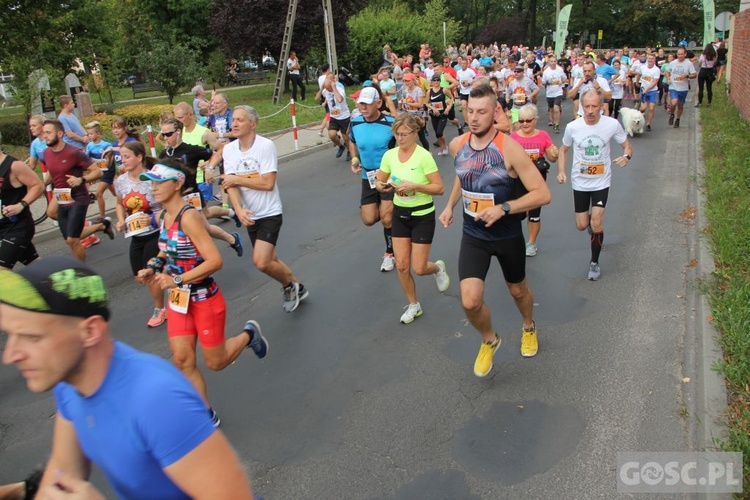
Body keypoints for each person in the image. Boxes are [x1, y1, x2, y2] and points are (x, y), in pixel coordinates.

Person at [0, 256, 256, 499]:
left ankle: (248, 335)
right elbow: (63, 476)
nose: (10, 355)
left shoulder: (156, 399)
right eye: (10, 336)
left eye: (32, 337)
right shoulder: (69, 385)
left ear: (90, 331)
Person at [137, 161, 268, 427]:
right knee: (183, 360)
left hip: (203, 297)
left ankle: (249, 335)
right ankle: (205, 414)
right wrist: (154, 266)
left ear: (177, 184)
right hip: (178, 300)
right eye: (151, 182)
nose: (154, 188)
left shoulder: (190, 217)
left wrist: (175, 279)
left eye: (160, 182)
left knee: (216, 362)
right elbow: (166, 248)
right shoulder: (164, 216)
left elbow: (214, 261)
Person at [438, 84, 551, 377]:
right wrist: (450, 205)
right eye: (470, 111)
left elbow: (542, 193)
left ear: (495, 112)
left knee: (518, 290)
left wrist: (505, 208)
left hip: (507, 235)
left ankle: (528, 326)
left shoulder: (509, 148)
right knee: (469, 300)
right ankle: (490, 339)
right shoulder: (457, 145)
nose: (474, 118)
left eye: (482, 112)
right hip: (474, 236)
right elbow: (465, 175)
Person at [221, 106, 310, 313]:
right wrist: (238, 209)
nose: (233, 124)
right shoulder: (229, 150)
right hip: (249, 214)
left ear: (253, 124)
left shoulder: (265, 146)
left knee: (261, 262)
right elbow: (230, 184)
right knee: (272, 259)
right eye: (233, 120)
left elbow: (268, 183)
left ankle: (288, 286)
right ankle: (299, 287)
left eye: (240, 120)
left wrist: (236, 178)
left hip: (269, 212)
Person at [375, 113, 448, 324]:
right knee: (402, 266)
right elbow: (380, 181)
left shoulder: (424, 156)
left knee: (419, 267)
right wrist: (384, 186)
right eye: (396, 134)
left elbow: (440, 188)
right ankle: (414, 305)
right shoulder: (390, 155)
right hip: (400, 214)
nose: (400, 138)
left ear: (415, 133)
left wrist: (415, 186)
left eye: (404, 134)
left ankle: (437, 268)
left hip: (422, 215)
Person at [556, 90, 633, 281]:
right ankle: (591, 225)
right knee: (582, 225)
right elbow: (563, 150)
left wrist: (627, 157)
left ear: (601, 106)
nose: (590, 111)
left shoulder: (612, 124)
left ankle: (594, 262)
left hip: (601, 180)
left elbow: (627, 146)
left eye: (594, 106)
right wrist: (561, 171)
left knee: (597, 220)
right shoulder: (573, 127)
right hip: (580, 182)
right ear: (581, 106)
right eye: (586, 106)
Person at [159, 117, 244, 257]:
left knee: (200, 228)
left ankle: (207, 256)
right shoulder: (163, 155)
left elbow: (216, 152)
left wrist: (209, 166)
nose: (166, 137)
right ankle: (232, 229)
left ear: (178, 132)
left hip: (191, 193)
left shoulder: (190, 150)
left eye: (168, 134)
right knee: (203, 223)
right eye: (163, 134)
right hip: (175, 198)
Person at [42, 120, 114, 261]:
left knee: (72, 239)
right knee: (70, 238)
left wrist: (81, 180)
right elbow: (52, 170)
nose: (45, 136)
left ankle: (82, 274)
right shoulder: (47, 153)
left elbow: (97, 172)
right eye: (44, 133)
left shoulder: (73, 152)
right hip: (62, 199)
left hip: (78, 198)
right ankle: (101, 226)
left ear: (60, 133)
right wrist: (41, 185)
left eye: (48, 132)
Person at [114, 141, 167, 327]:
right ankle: (168, 277)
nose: (123, 161)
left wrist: (153, 217)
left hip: (156, 232)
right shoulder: (121, 181)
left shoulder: (154, 178)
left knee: (150, 274)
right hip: (136, 235)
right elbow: (120, 203)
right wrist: (120, 220)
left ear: (139, 157)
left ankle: (160, 309)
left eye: (127, 157)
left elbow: (168, 204)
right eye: (121, 157)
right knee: (139, 276)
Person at [348, 87, 397, 272]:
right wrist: (354, 158)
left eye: (368, 103)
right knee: (369, 220)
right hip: (367, 177)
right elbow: (351, 140)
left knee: (386, 219)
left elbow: (405, 145)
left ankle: (389, 253)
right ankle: (394, 217)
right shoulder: (355, 123)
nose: (363, 107)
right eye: (361, 103)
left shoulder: (390, 123)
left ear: (378, 103)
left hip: (388, 177)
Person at [509, 104, 558, 257]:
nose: (524, 124)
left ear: (535, 120)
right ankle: (515, 240)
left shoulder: (542, 135)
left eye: (528, 121)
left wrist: (554, 154)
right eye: (521, 121)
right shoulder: (514, 137)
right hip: (518, 181)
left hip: (538, 182)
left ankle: (531, 243)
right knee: (518, 213)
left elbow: (551, 157)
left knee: (534, 214)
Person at [0, 135, 44, 269]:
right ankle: (58, 287)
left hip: (18, 227)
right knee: (34, 264)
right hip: (2, 227)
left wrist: (21, 205)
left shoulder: (13, 166)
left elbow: (38, 185)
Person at [316, 73, 351, 161]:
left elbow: (339, 99)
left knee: (346, 137)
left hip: (344, 116)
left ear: (333, 81)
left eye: (329, 88)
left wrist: (334, 88)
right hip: (334, 117)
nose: (328, 90)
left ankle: (350, 151)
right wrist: (322, 88)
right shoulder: (325, 90)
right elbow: (316, 98)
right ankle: (340, 146)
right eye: (327, 88)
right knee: (332, 135)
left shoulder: (339, 89)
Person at [85, 122, 115, 220]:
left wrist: (107, 160)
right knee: (116, 193)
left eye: (91, 134)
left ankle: (102, 216)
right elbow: (88, 161)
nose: (89, 136)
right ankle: (125, 203)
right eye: (88, 134)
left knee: (98, 193)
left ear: (98, 133)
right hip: (100, 172)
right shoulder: (89, 146)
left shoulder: (106, 145)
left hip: (108, 171)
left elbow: (110, 160)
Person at [667, 47, 697, 128]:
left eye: (681, 54)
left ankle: (678, 119)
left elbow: (694, 74)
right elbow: (667, 71)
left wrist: (687, 76)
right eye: (678, 54)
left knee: (680, 105)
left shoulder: (689, 64)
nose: (680, 56)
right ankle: (672, 114)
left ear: (685, 54)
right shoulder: (673, 63)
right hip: (673, 86)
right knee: (674, 102)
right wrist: (668, 79)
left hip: (683, 88)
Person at [426, 74, 453, 156]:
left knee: (439, 132)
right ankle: (442, 147)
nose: (436, 82)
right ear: (432, 81)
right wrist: (433, 108)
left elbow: (451, 98)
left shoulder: (444, 90)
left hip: (443, 114)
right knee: (437, 134)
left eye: (438, 80)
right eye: (434, 80)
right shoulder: (429, 91)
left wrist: (448, 108)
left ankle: (445, 146)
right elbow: (426, 103)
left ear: (440, 81)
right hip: (434, 115)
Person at [506, 65, 539, 130]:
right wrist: (507, 98)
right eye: (515, 71)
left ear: (522, 72)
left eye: (518, 71)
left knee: (526, 125)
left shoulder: (528, 81)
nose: (516, 73)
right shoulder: (512, 82)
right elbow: (508, 92)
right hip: (515, 106)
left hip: (526, 106)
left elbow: (537, 89)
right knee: (516, 125)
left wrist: (530, 96)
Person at [541, 55, 567, 133]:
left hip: (558, 92)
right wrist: (548, 82)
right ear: (549, 62)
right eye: (551, 61)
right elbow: (542, 82)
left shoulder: (560, 70)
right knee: (551, 109)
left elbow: (565, 78)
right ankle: (552, 119)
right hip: (549, 93)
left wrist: (561, 81)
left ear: (556, 62)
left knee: (556, 108)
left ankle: (556, 125)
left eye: (554, 61)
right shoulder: (546, 71)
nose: (553, 63)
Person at [636, 54, 661, 131]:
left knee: (651, 108)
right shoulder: (643, 67)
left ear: (654, 61)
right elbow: (639, 74)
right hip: (643, 89)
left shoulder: (656, 70)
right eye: (649, 59)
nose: (650, 60)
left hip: (652, 91)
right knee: (643, 108)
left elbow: (655, 82)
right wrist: (637, 82)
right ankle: (637, 114)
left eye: (652, 59)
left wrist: (647, 89)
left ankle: (648, 124)